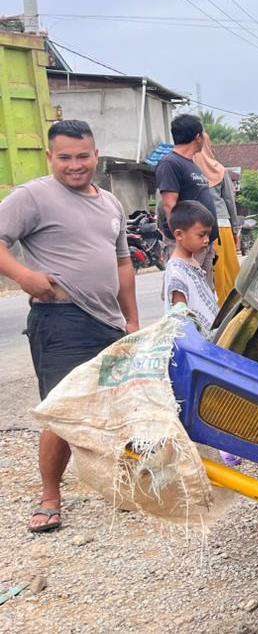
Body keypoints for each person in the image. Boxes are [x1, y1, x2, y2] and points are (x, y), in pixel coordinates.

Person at [0, 120, 139, 533]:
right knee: (62, 413)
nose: (75, 166)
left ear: (96, 155)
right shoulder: (33, 197)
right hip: (60, 320)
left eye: (83, 156)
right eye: (65, 158)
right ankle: (50, 498)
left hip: (108, 323)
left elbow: (123, 264)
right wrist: (23, 277)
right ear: (50, 158)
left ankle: (123, 485)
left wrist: (130, 319)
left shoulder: (111, 203)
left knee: (116, 408)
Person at [156, 114, 218, 272]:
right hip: (188, 245)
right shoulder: (170, 164)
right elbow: (170, 205)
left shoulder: (191, 164)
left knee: (203, 293)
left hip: (202, 242)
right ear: (198, 137)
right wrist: (182, 245)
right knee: (184, 289)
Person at [193, 134, 241, 304]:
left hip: (198, 228)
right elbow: (229, 201)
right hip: (223, 227)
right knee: (229, 273)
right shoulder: (219, 170)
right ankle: (232, 311)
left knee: (207, 274)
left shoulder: (191, 172)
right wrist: (235, 229)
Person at [162, 201, 221, 330]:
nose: (206, 240)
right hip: (197, 343)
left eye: (208, 235)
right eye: (201, 235)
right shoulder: (176, 272)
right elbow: (181, 316)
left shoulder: (192, 262)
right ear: (179, 235)